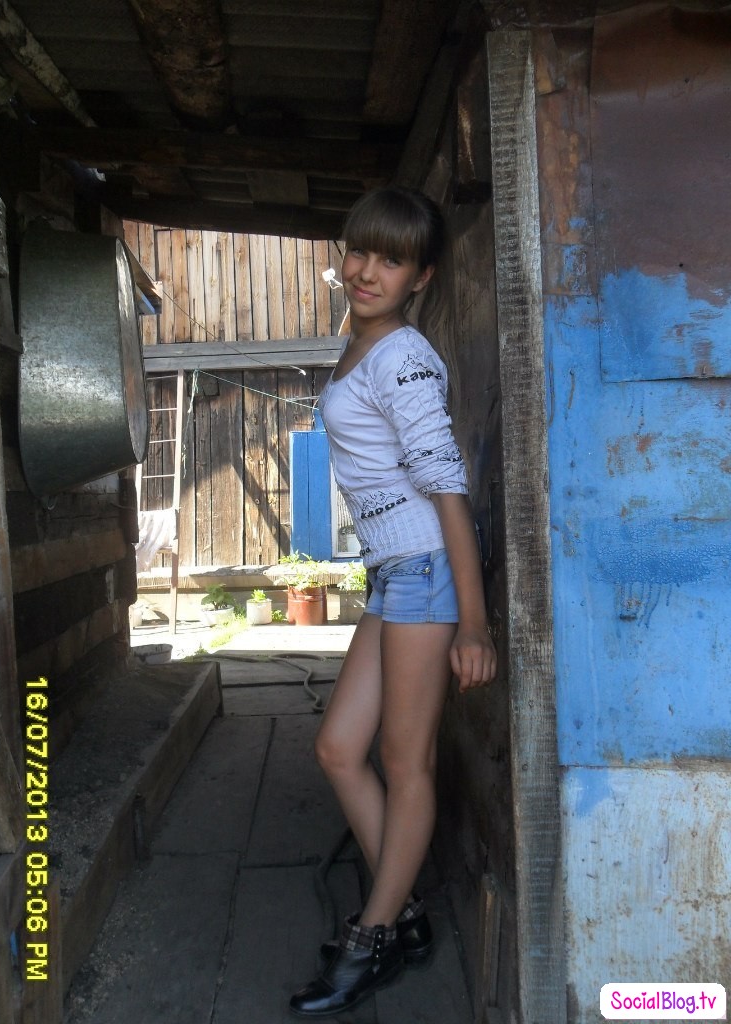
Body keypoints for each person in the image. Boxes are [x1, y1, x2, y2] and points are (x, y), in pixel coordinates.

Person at [289, 187, 497, 1018]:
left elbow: (447, 489)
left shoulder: (402, 356)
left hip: (427, 570)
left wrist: (473, 623)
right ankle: (401, 913)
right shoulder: (360, 345)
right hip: (393, 572)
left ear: (422, 277)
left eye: (391, 260)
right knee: (340, 749)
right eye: (359, 251)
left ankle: (372, 936)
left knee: (406, 764)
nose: (367, 271)